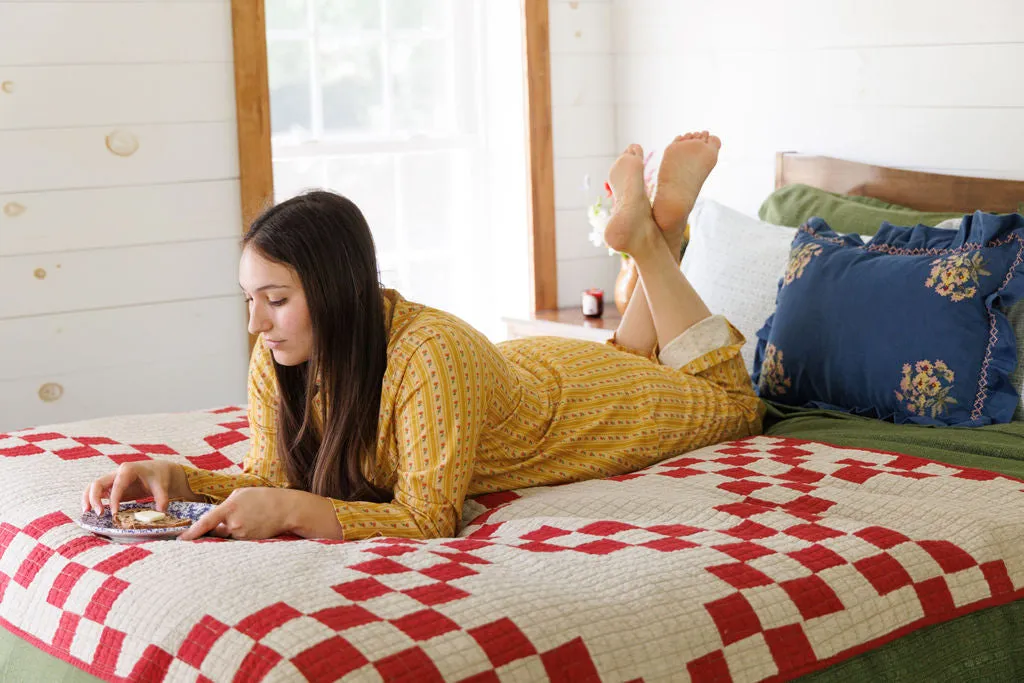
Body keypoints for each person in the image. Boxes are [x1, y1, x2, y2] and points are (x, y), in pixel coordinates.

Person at [82, 131, 763, 541]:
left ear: (337, 292)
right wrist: (178, 479)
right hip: (517, 372)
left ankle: (649, 242)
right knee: (638, 357)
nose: (256, 324)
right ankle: (658, 235)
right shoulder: (281, 353)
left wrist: (293, 511)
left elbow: (427, 517)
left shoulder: (425, 351)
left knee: (732, 403)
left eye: (277, 300)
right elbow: (269, 475)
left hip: (582, 407)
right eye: (250, 300)